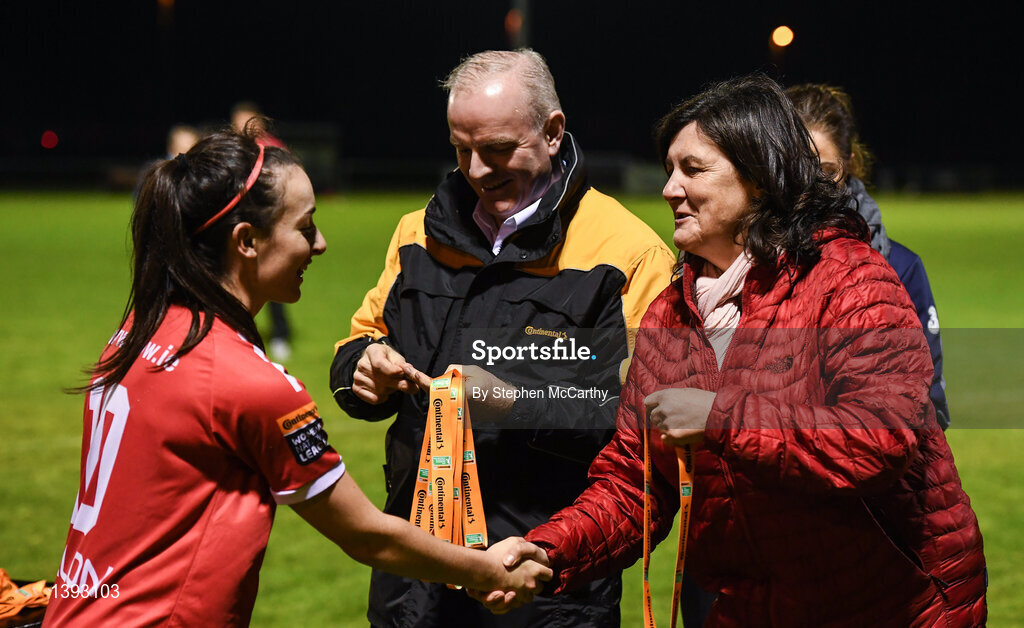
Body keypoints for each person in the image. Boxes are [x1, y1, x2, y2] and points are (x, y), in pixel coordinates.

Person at [519, 75, 986, 626]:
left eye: (692, 170)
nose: (670, 189)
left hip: (896, 606)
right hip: (758, 606)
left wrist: (721, 419)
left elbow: (882, 435)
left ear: (760, 179)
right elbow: (633, 481)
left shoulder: (849, 277)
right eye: (669, 169)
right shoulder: (672, 313)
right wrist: (548, 551)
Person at [44, 130, 551, 626]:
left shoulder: (141, 330)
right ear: (247, 241)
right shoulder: (248, 383)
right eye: (306, 227)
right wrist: (486, 568)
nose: (321, 244)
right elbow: (366, 535)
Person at [329, 49, 675, 627]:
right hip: (414, 579)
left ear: (553, 132)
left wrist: (518, 403)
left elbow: (649, 422)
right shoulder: (417, 234)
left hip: (540, 583)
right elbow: (360, 340)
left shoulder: (629, 254)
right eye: (460, 149)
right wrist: (362, 370)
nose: (476, 169)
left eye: (495, 149)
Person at [787, 83, 951, 428]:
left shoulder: (900, 267)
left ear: (848, 164)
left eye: (826, 171)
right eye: (796, 169)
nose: (810, 187)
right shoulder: (741, 258)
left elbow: (930, 406)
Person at [231, 101, 293, 361]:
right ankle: (235, 336)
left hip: (268, 228)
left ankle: (280, 336)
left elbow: (289, 187)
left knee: (272, 279)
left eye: (249, 121)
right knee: (233, 283)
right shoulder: (231, 150)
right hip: (236, 227)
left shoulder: (275, 149)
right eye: (239, 121)